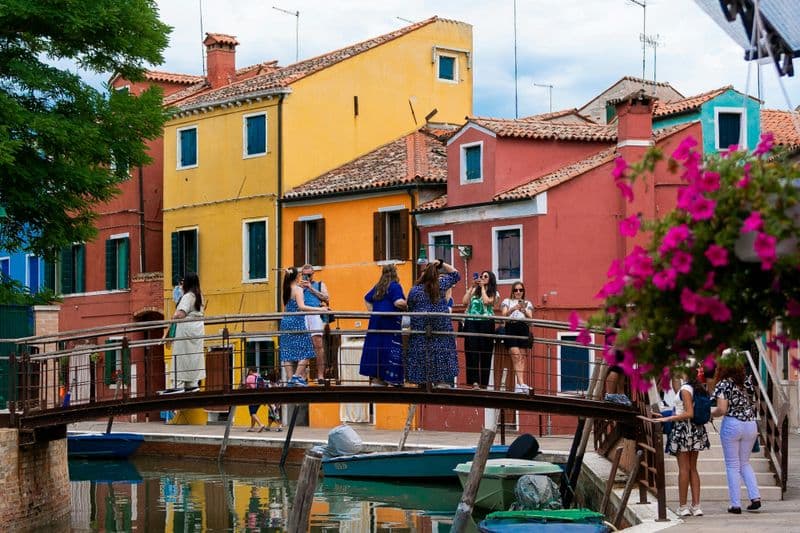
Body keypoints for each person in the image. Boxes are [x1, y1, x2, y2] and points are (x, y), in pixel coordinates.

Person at [650, 365, 709, 517]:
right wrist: (667, 414)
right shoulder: (699, 388)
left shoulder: (685, 389)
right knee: (693, 468)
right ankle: (696, 506)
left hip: (684, 430)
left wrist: (668, 418)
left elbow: (688, 413)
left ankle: (683, 506)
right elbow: (684, 409)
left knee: (683, 469)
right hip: (696, 431)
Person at [712, 355, 761, 514]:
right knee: (745, 463)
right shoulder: (746, 382)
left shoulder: (723, 384)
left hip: (733, 424)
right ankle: (755, 497)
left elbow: (722, 409)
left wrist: (710, 414)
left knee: (732, 465)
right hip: (750, 424)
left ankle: (735, 504)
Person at [406, 259, 460, 387]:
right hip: (440, 324)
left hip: (420, 326)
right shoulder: (440, 285)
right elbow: (456, 275)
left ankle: (421, 380)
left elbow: (410, 305)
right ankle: (441, 381)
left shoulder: (415, 290)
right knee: (441, 349)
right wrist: (441, 263)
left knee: (421, 350)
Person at [280, 267, 329, 386]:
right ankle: (297, 377)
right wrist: (320, 309)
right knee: (308, 350)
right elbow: (302, 307)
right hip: (297, 321)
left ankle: (290, 380)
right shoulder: (298, 289)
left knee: (287, 351)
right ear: (297, 276)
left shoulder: (285, 289)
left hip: (285, 321)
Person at [359, 264, 407, 386]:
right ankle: (392, 379)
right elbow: (398, 302)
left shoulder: (379, 287)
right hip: (390, 323)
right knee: (389, 348)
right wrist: (409, 305)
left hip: (376, 322)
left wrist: (373, 312)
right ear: (395, 273)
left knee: (377, 348)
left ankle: (377, 379)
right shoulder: (395, 286)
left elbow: (366, 298)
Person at [462, 270, 499, 389]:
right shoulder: (474, 291)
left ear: (490, 279)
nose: (482, 278)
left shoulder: (494, 293)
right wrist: (472, 287)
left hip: (486, 323)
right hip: (472, 322)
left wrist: (483, 288)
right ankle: (474, 382)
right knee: (471, 351)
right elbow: (464, 302)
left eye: (485, 276)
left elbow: (487, 301)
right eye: (481, 276)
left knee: (485, 353)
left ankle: (483, 383)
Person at [171, 272, 205, 392]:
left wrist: (174, 315)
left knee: (181, 357)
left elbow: (181, 314)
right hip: (198, 330)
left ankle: (178, 384)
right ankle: (193, 383)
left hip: (186, 331)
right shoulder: (200, 295)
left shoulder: (188, 296)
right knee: (194, 357)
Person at [500, 282, 534, 393]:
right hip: (511, 327)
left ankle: (520, 384)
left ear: (523, 291)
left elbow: (530, 318)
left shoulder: (528, 303)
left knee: (522, 357)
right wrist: (514, 308)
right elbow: (504, 315)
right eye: (516, 290)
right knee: (516, 354)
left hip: (523, 327)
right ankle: (520, 383)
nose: (518, 292)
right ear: (512, 291)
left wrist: (524, 310)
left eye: (520, 290)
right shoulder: (507, 301)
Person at [300, 264, 330, 384]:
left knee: (318, 345)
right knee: (302, 345)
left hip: (315, 314)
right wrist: (300, 287)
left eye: (309, 274)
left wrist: (311, 288)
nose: (307, 276)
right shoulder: (298, 286)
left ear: (313, 274)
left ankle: (320, 375)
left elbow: (326, 298)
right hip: (302, 315)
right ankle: (302, 375)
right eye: (304, 274)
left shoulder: (320, 284)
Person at [245, 368, 266, 432]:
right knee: (254, 413)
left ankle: (261, 424)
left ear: (251, 371)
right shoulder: (259, 377)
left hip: (253, 397)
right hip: (260, 397)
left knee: (252, 413)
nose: (248, 372)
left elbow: (248, 387)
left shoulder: (249, 377)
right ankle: (252, 427)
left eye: (249, 371)